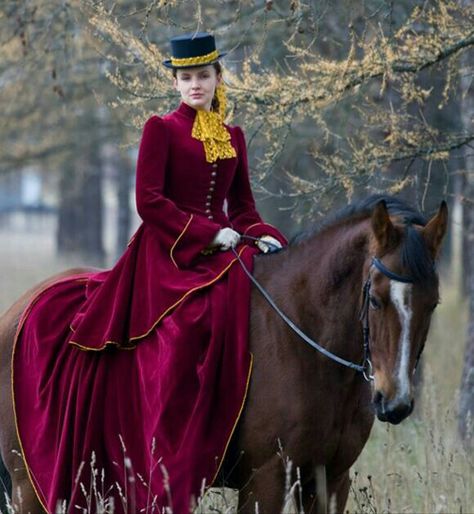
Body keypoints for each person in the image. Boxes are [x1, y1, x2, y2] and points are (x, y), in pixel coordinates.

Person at [12, 32, 287, 514]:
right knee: (182, 331)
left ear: (218, 78)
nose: (195, 85)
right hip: (168, 257)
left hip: (220, 252)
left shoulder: (233, 136)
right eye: (186, 78)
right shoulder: (160, 129)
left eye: (203, 76)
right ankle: (165, 462)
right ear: (177, 83)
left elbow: (242, 207)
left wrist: (264, 234)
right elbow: (149, 202)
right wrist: (207, 233)